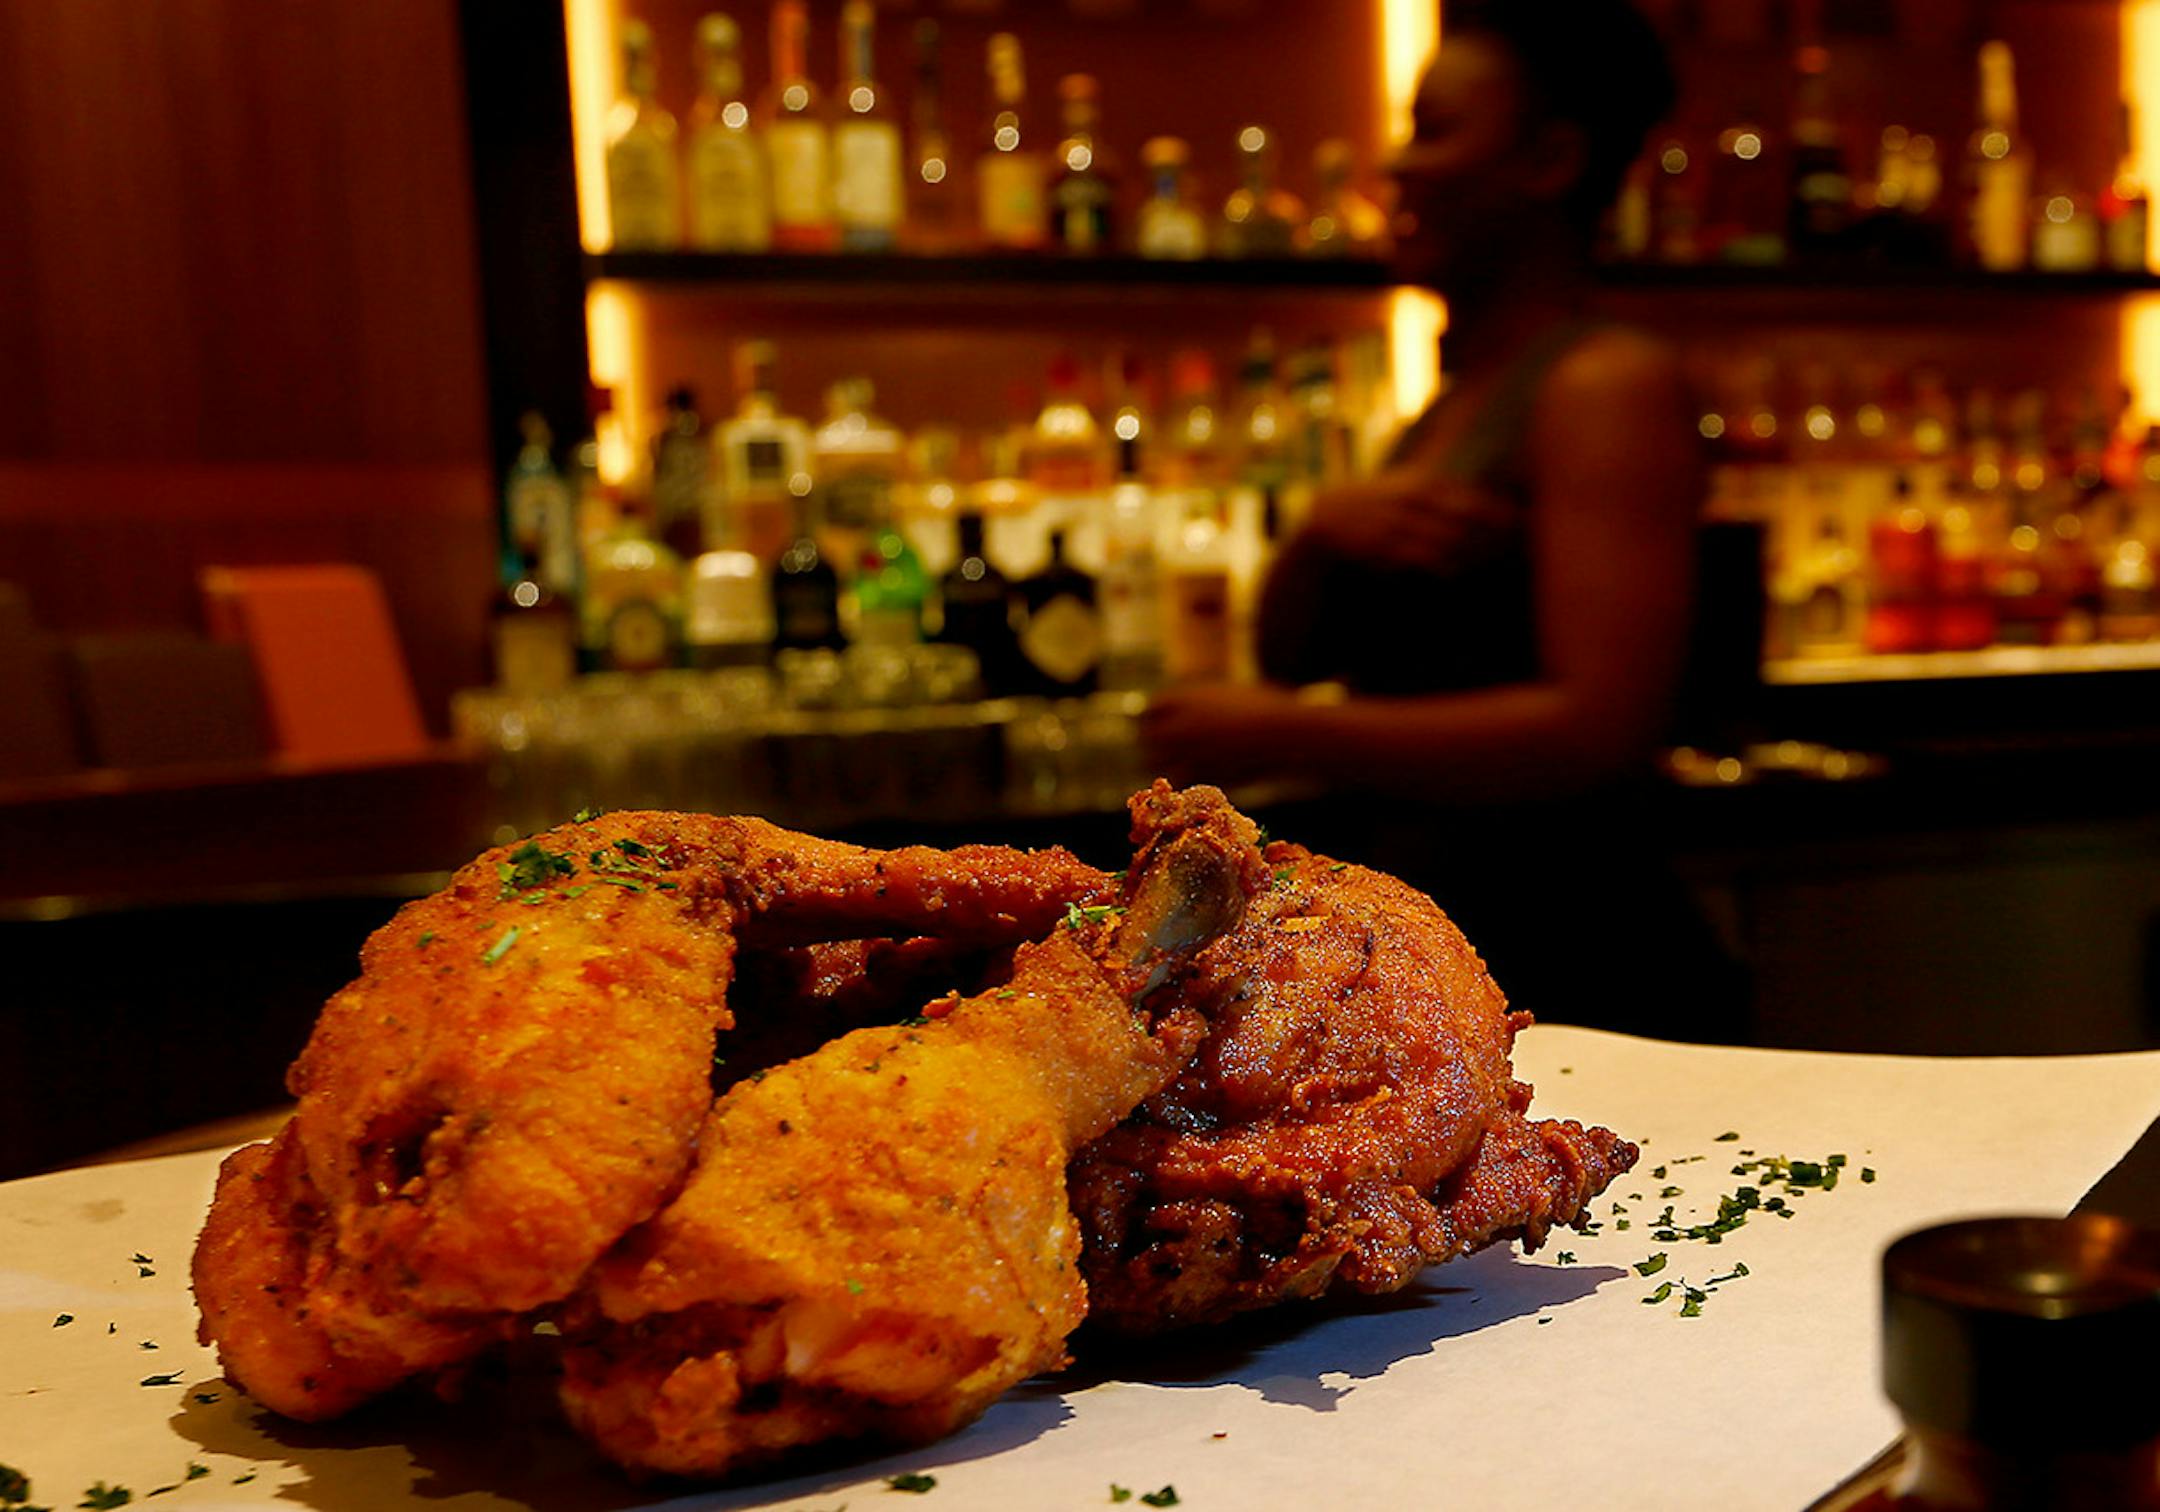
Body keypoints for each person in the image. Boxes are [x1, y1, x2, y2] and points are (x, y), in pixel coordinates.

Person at [1142, 0, 1745, 1041]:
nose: (1397, 166)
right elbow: (1293, 648)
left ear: (1551, 160)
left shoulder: (1604, 383)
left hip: (1573, 951)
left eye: (1434, 129)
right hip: (1463, 937)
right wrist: (1323, 528)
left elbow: (1596, 727)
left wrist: (1278, 734)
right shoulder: (1456, 401)